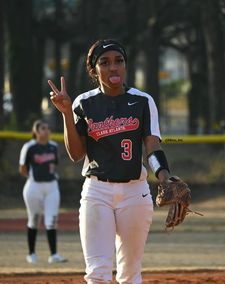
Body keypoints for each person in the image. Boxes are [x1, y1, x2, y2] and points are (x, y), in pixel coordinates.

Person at [48, 39, 170, 283]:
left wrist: (165, 177)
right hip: (97, 191)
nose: (113, 67)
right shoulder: (83, 103)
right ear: (94, 70)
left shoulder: (143, 101)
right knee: (98, 273)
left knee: (130, 273)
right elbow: (76, 154)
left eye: (119, 61)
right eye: (105, 62)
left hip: (136, 192)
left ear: (125, 66)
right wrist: (66, 115)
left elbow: (152, 146)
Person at [19, 119, 68, 264]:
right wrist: (34, 176)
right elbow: (22, 169)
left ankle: (53, 255)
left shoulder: (53, 146)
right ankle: (31, 253)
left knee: (51, 221)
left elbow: (55, 164)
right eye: (43, 129)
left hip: (52, 186)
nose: (46, 131)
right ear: (36, 131)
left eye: (48, 128)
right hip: (34, 187)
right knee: (34, 219)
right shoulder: (29, 147)